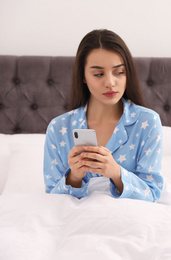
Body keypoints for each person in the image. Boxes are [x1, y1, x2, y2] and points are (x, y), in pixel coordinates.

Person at [43, 29, 163, 201]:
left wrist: (115, 172)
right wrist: (75, 177)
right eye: (98, 74)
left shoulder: (147, 122)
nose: (110, 83)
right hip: (75, 221)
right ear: (83, 76)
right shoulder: (59, 128)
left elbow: (152, 193)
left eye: (119, 72)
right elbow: (50, 199)